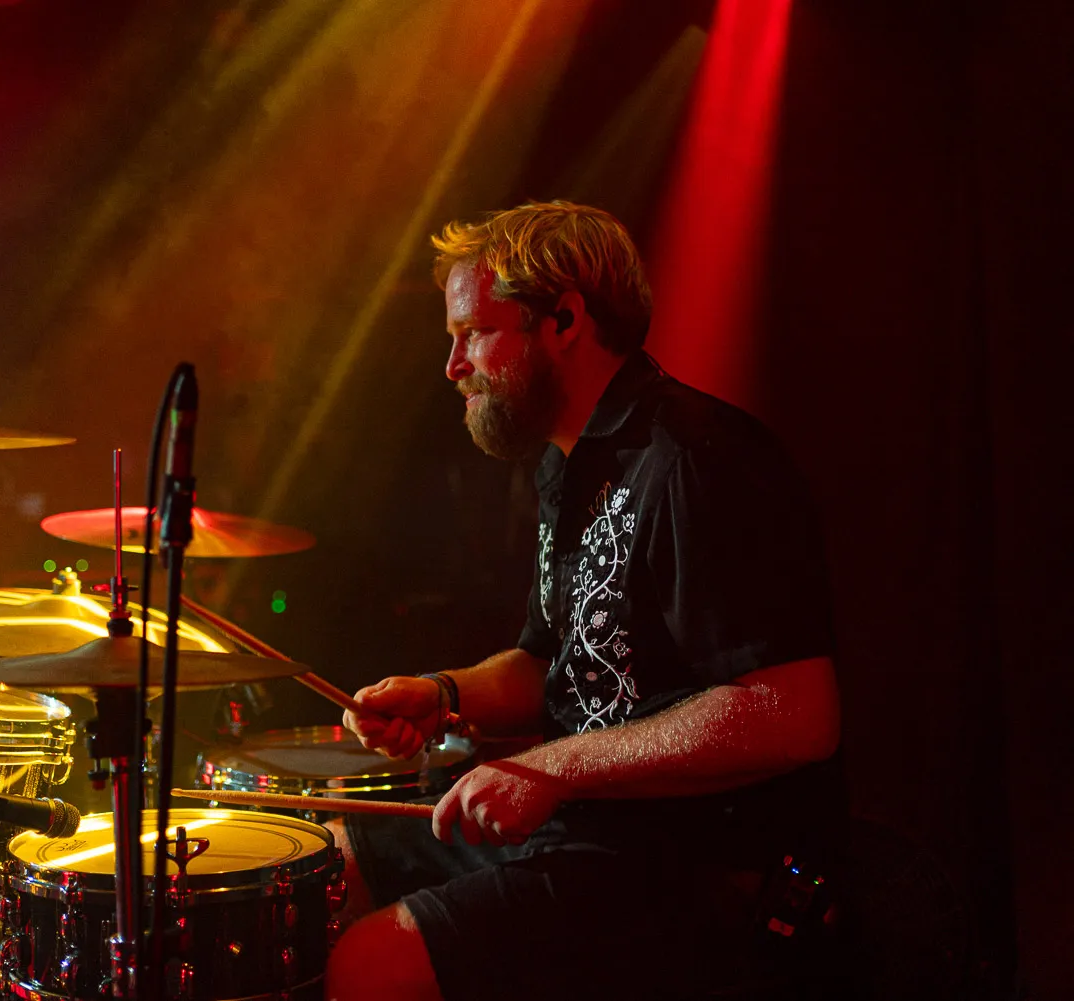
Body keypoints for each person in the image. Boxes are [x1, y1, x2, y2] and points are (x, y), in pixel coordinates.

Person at [325, 201, 844, 1001]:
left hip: (692, 862)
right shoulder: (568, 466)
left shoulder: (697, 458)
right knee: (332, 864)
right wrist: (444, 693)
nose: (453, 365)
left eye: (474, 332)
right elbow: (556, 663)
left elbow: (794, 712)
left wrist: (550, 767)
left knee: (371, 964)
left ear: (564, 320)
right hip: (587, 826)